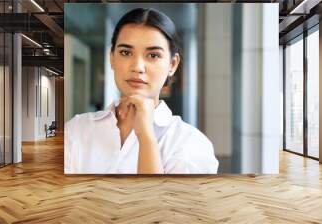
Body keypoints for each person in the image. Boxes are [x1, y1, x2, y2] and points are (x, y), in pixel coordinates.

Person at [64, 8, 219, 174]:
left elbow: (164, 200)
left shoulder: (192, 143)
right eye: (125, 52)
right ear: (112, 58)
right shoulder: (76, 129)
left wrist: (146, 138)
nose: (137, 67)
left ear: (172, 65)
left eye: (153, 55)